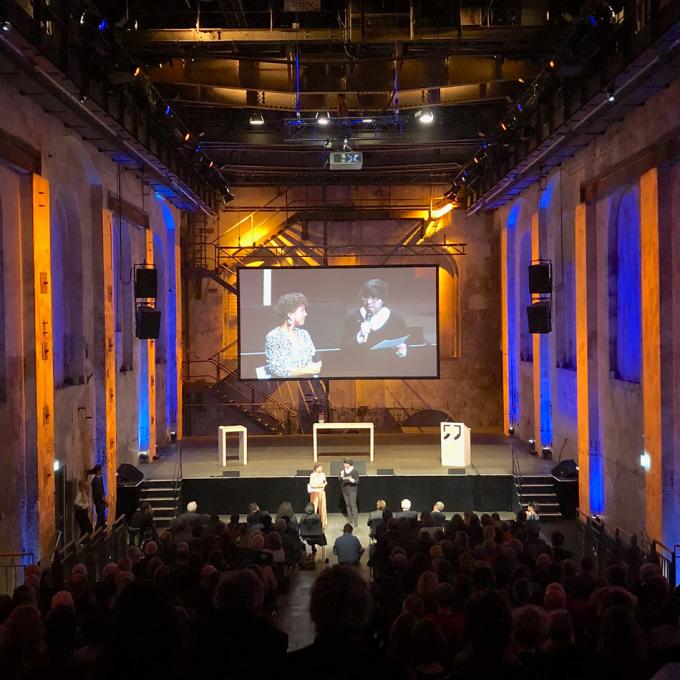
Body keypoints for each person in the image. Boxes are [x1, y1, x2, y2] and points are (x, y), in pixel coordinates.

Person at [341, 278, 408, 372]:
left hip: (388, 371)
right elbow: (344, 350)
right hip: (359, 370)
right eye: (365, 297)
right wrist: (359, 338)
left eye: (374, 298)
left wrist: (402, 352)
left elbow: (405, 347)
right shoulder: (352, 317)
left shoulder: (395, 319)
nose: (368, 302)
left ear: (383, 300)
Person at [264, 292, 322, 378]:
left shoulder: (304, 334)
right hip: (285, 385)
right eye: (302, 310)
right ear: (290, 314)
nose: (306, 314)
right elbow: (277, 369)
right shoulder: (274, 336)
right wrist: (307, 370)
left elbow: (311, 361)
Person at [87, 464, 108, 530]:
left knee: (101, 519)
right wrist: (106, 501)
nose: (102, 471)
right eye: (101, 470)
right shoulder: (96, 481)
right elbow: (100, 493)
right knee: (101, 520)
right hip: (99, 503)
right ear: (98, 471)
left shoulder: (100, 479)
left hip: (101, 503)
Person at [339, 458, 359, 527]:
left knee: (353, 505)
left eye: (346, 463)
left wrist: (351, 479)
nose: (344, 464)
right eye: (344, 463)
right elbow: (339, 480)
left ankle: (355, 521)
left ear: (349, 464)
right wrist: (341, 476)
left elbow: (357, 481)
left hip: (352, 490)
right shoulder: (342, 471)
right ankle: (350, 519)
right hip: (345, 490)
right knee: (347, 505)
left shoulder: (354, 471)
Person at [308, 462, 328, 528]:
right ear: (316, 468)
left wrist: (322, 485)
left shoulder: (323, 474)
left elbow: (325, 483)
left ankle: (323, 523)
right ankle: (313, 522)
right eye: (320, 467)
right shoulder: (312, 475)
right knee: (314, 508)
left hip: (321, 493)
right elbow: (312, 485)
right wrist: (320, 486)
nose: (321, 468)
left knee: (323, 508)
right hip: (314, 493)